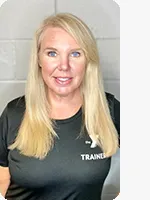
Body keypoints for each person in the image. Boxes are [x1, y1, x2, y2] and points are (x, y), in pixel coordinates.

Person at [0, 13, 120, 200]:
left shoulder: (108, 109)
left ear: (88, 60)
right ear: (39, 59)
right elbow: (2, 179)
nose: (64, 66)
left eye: (75, 53)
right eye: (52, 53)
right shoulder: (14, 113)